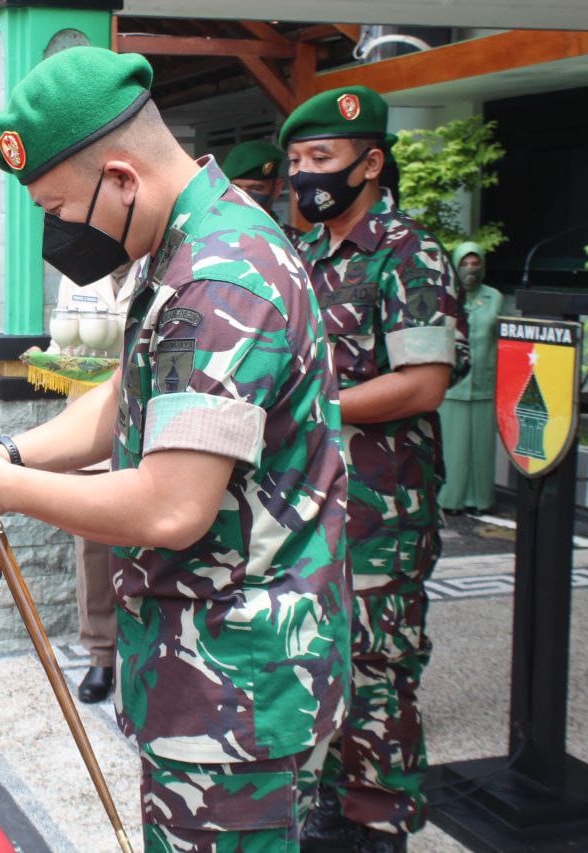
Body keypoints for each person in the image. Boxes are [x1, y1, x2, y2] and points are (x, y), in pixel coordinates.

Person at [0, 47, 351, 851]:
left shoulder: (220, 280)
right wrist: (5, 458)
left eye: (58, 206)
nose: (57, 232)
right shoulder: (188, 245)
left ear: (120, 178)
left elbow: (171, 505)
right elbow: (126, 397)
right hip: (202, 660)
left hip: (236, 683)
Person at [282, 85, 467, 852]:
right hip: (316, 501)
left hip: (383, 510)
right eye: (295, 161)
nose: (303, 176)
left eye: (320, 159)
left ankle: (381, 817)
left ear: (371, 163)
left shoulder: (405, 252)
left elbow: (423, 381)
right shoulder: (309, 254)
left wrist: (313, 403)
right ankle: (330, 801)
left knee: (379, 668)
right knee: (322, 654)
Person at [45, 258, 142, 704]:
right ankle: (101, 654)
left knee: (146, 538)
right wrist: (62, 359)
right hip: (88, 424)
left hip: (144, 423)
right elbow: (62, 340)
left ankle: (141, 647)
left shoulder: (158, 261)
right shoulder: (77, 271)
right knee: (93, 550)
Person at [439, 243, 501, 514]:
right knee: (453, 447)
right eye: (465, 264)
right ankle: (450, 500)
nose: (470, 270)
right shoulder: (449, 296)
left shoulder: (495, 298)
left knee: (481, 448)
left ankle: (481, 500)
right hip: (453, 384)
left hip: (484, 382)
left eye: (476, 264)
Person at [223, 139, 288, 222]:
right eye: (235, 188)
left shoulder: (285, 235)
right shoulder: (206, 234)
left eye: (255, 188)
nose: (243, 196)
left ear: (277, 188)